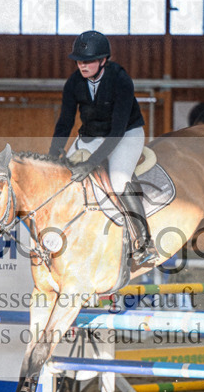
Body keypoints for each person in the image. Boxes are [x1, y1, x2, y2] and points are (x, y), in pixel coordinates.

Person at [48, 30, 160, 265]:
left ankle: (144, 242)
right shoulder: (74, 82)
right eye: (79, 61)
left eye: (88, 60)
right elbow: (65, 121)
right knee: (62, 179)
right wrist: (54, 152)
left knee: (119, 181)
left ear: (103, 60)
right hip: (90, 135)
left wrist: (90, 163)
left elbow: (117, 130)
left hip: (126, 134)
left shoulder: (120, 79)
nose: (82, 65)